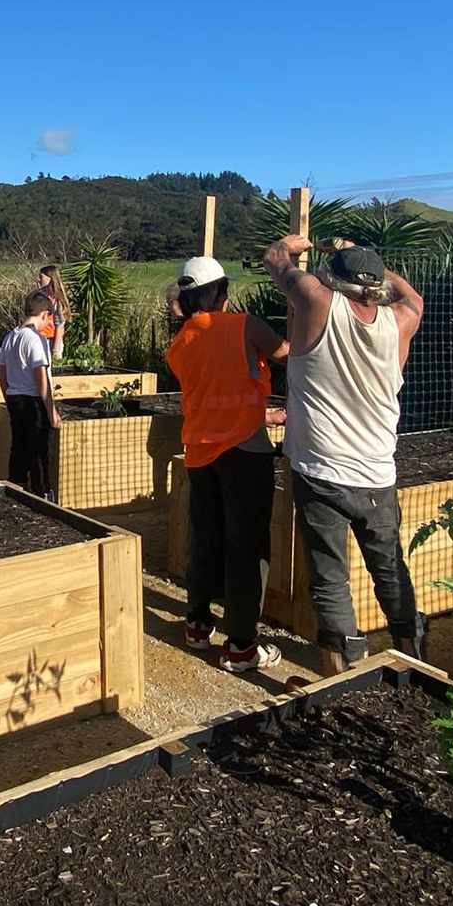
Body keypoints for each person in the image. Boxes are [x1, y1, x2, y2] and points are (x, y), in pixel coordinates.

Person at [263, 235, 426, 676]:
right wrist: (369, 262)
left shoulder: (318, 302)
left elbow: (275, 259)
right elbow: (412, 296)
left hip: (320, 470)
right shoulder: (401, 320)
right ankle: (414, 655)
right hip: (377, 474)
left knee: (329, 578)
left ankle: (344, 670)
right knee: (390, 569)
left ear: (332, 279)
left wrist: (293, 244)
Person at [166, 257, 293, 673]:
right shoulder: (245, 326)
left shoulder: (180, 342)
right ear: (221, 292)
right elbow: (289, 354)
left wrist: (261, 413)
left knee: (206, 537)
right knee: (247, 546)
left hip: (200, 453)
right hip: (244, 452)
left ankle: (197, 624)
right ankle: (240, 646)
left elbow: (215, 390)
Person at [0, 289, 61, 497]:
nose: (48, 323)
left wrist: (8, 396)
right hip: (33, 400)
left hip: (15, 398)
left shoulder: (10, 337)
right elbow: (41, 377)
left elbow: (1, 371)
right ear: (44, 314)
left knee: (18, 448)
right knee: (39, 451)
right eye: (48, 319)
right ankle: (43, 494)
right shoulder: (36, 339)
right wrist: (51, 410)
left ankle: (17, 491)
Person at [36, 265, 69, 359]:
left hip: (51, 340)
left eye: (41, 277)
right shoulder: (39, 295)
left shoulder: (58, 299)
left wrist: (55, 349)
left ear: (50, 279)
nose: (38, 279)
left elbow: (60, 324)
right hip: (38, 338)